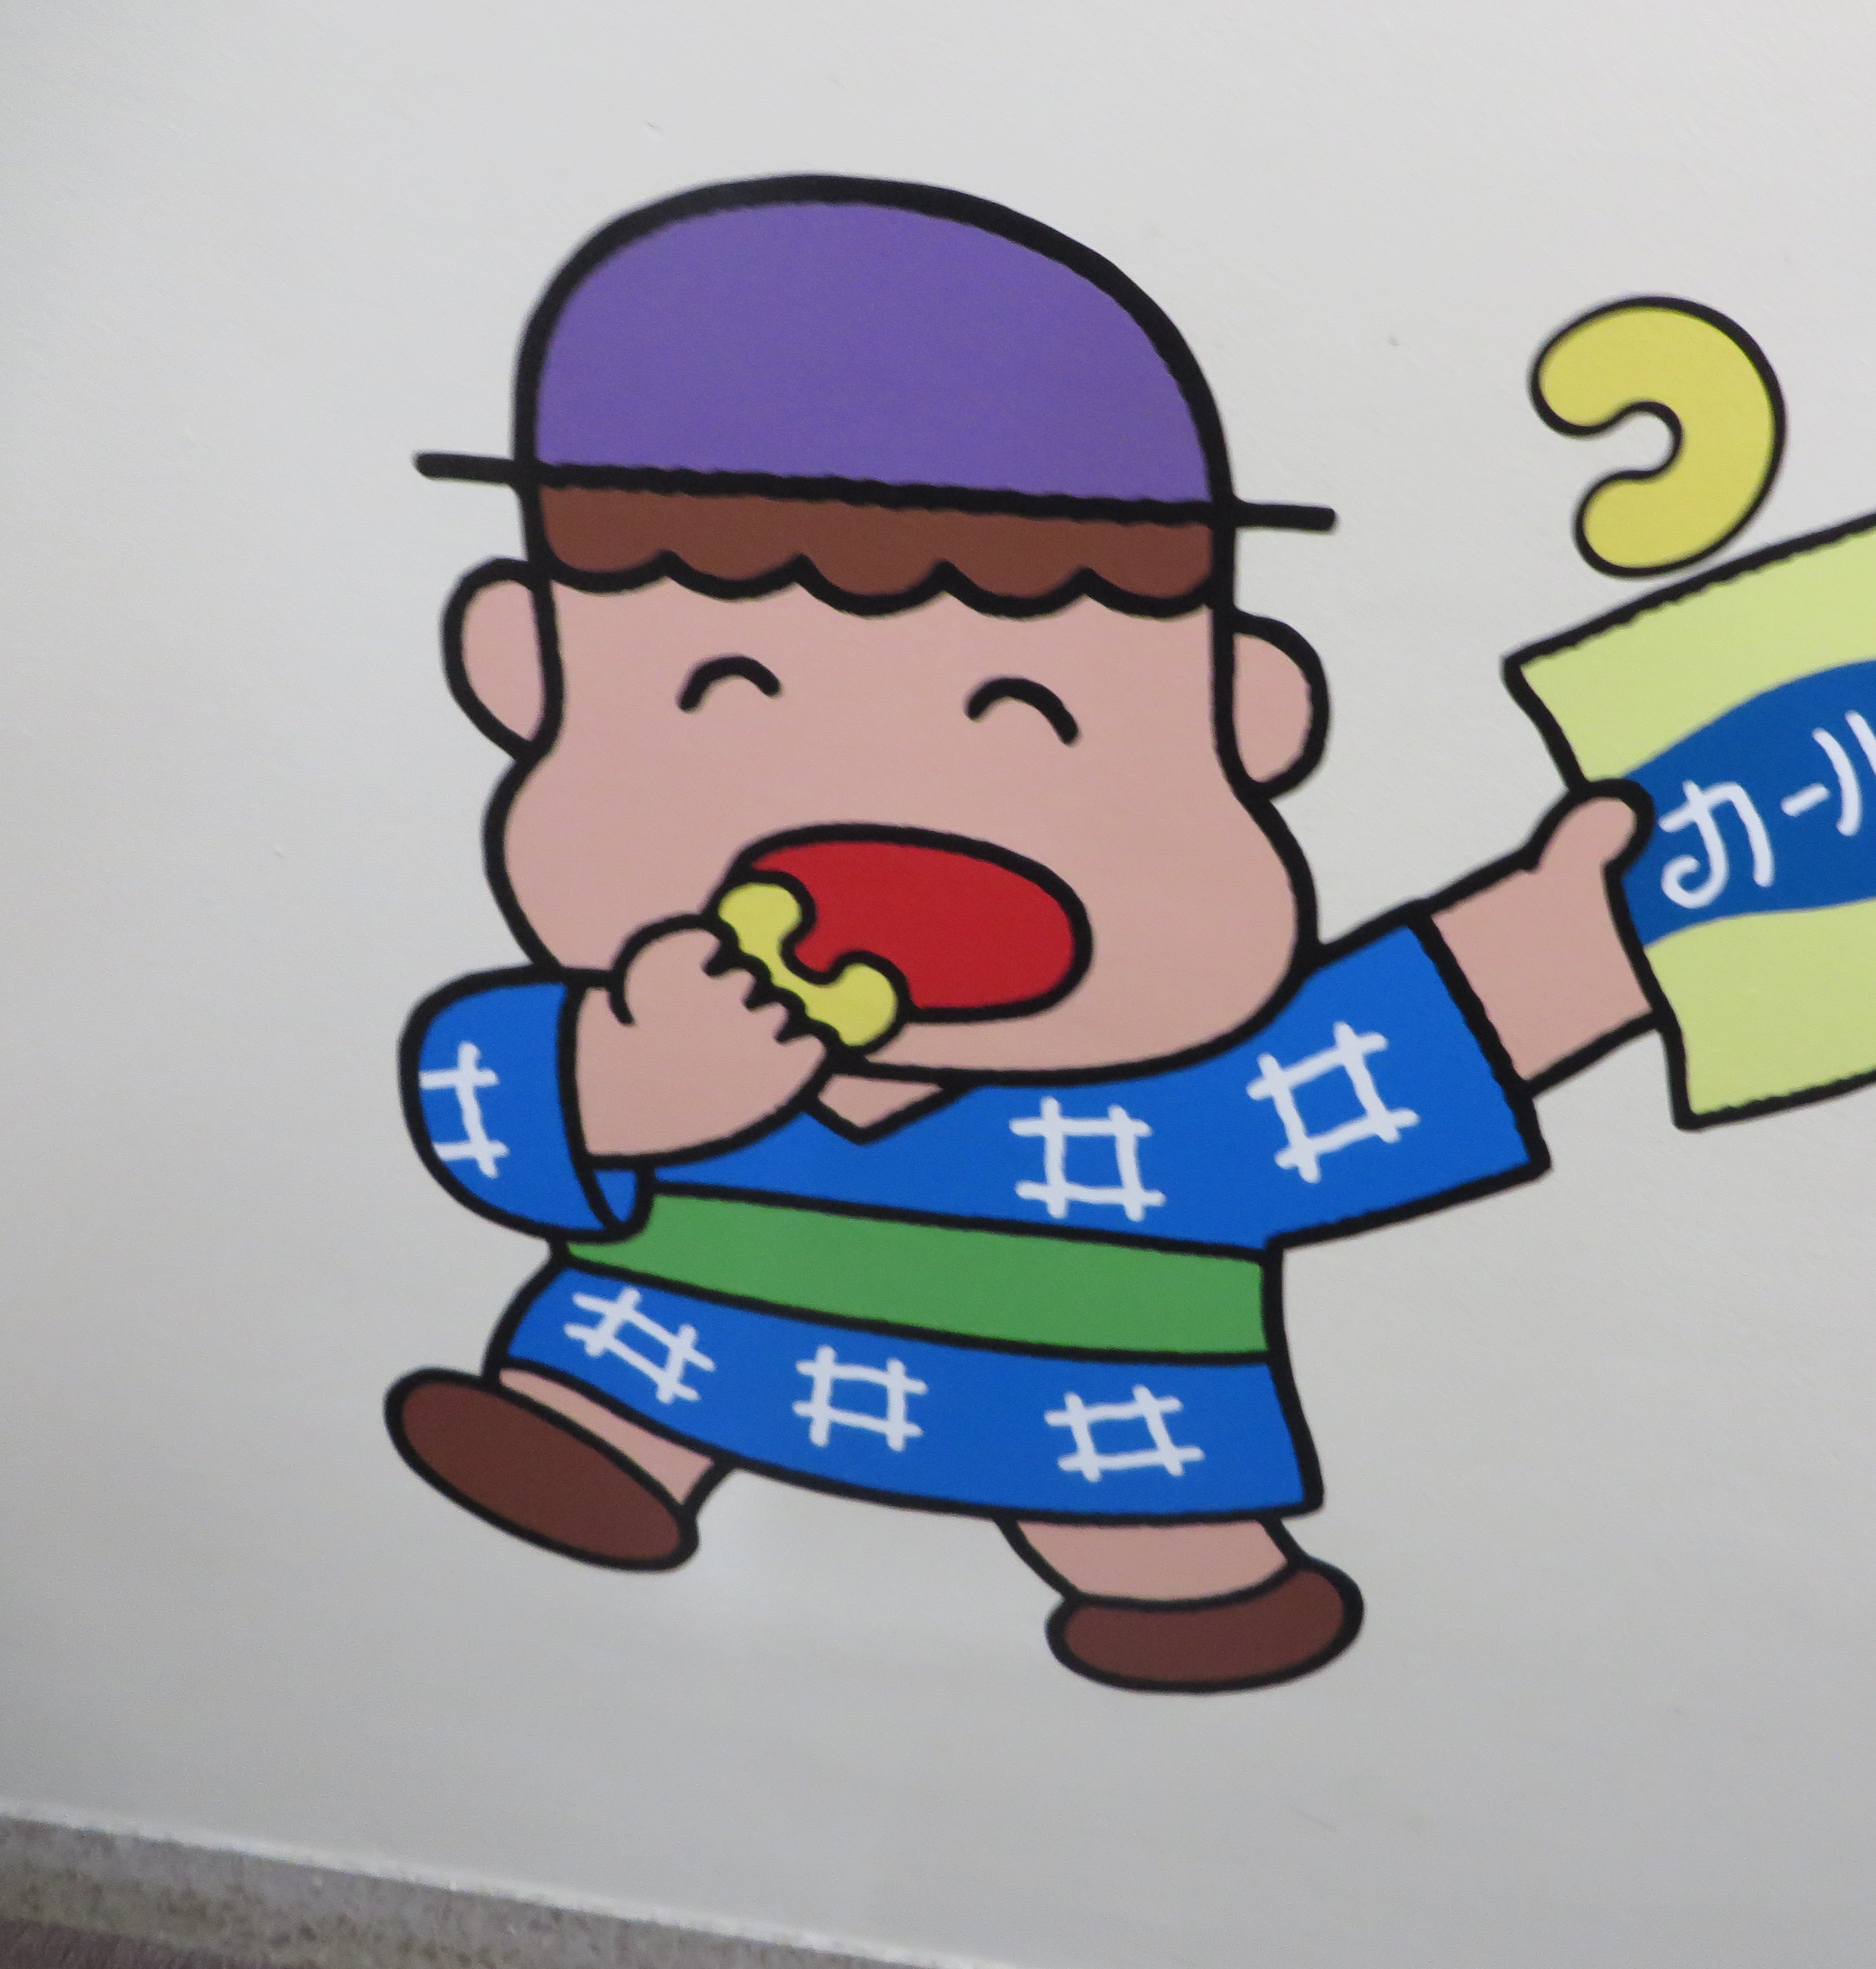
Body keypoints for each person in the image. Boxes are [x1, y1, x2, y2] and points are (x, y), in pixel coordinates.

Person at [394, 176, 1649, 1692]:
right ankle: (595, 1439)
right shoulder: (659, 1012)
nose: (896, 797)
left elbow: (1375, 1058)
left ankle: (1177, 1579)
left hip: (1089, 1410)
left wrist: (1558, 940)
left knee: (1136, 1483)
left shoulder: (1174, 1095)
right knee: (621, 1363)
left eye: (1027, 715)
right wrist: (614, 1081)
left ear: (1249, 714)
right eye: (729, 693)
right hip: (676, 1341)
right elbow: (478, 1097)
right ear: (519, 670)